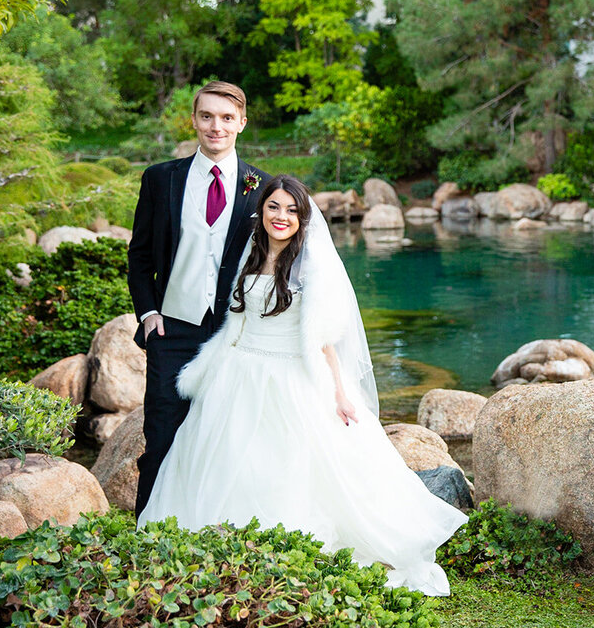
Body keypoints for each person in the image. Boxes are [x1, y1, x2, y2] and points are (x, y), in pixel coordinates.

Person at [137, 175, 467, 596]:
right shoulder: (252, 253)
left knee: (289, 466)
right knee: (229, 459)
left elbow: (324, 339)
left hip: (289, 375)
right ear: (262, 211)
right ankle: (222, 546)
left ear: (303, 218)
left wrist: (340, 394)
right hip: (238, 374)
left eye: (292, 210)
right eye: (274, 206)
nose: (282, 216)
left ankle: (283, 550)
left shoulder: (309, 264)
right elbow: (238, 322)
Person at [127, 81, 268, 518]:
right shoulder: (160, 178)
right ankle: (145, 533)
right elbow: (140, 254)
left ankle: (214, 532)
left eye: (227, 118)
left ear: (242, 124)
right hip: (172, 328)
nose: (216, 126)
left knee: (228, 438)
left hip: (233, 335)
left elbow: (275, 260)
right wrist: (149, 313)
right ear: (194, 120)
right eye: (207, 116)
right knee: (162, 433)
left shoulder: (262, 188)